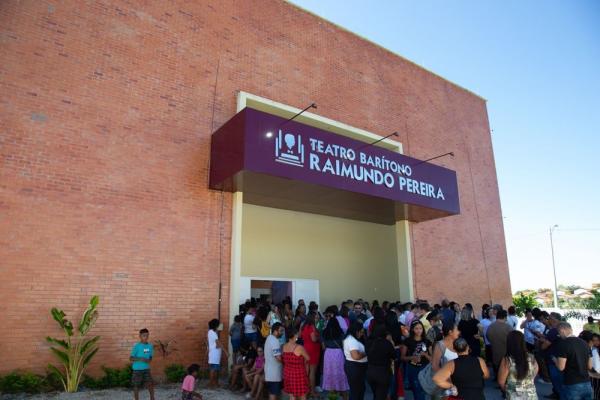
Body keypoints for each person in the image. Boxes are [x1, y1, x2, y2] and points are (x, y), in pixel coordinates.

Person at [555, 322, 593, 400]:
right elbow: (590, 366)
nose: (559, 335)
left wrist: (555, 360)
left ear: (562, 330)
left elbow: (561, 367)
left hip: (572, 383)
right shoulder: (585, 343)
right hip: (587, 383)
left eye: (558, 332)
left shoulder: (563, 344)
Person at [497, 330, 539, 399]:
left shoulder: (507, 360)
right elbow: (535, 372)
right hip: (531, 395)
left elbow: (501, 382)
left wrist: (509, 390)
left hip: (514, 396)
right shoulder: (531, 357)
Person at [401, 320, 432, 400]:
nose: (419, 330)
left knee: (422, 390)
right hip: (413, 369)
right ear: (412, 330)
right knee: (417, 390)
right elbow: (402, 357)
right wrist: (412, 357)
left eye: (420, 328)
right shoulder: (407, 341)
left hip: (425, 369)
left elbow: (432, 359)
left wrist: (425, 354)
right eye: (416, 328)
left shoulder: (427, 341)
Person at [365, 324, 396, 400]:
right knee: (381, 395)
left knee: (376, 394)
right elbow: (394, 356)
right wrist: (391, 341)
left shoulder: (369, 342)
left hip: (370, 371)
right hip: (383, 372)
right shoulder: (387, 343)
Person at [322, 316, 349, 398]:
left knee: (330, 376)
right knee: (341, 374)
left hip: (328, 354)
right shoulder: (340, 333)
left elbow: (323, 347)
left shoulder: (324, 333)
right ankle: (345, 397)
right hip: (338, 353)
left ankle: (333, 398)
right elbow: (344, 346)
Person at [282, 326, 310, 400]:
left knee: (292, 396)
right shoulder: (299, 347)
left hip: (288, 373)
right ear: (294, 335)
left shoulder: (284, 346)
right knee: (303, 395)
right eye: (297, 334)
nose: (298, 335)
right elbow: (308, 358)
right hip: (298, 374)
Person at [344, 321, 368, 400]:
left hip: (357, 367)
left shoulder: (354, 338)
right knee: (356, 390)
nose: (362, 334)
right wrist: (367, 353)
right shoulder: (351, 340)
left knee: (360, 389)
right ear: (356, 331)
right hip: (355, 367)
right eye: (361, 332)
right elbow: (356, 356)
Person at [130, 328, 155, 400]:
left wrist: (149, 360)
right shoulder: (137, 346)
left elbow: (150, 357)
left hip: (146, 369)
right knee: (136, 385)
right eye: (144, 335)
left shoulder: (150, 346)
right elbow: (131, 358)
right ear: (140, 336)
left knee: (150, 384)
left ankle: (152, 398)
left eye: (147, 335)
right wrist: (141, 359)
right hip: (137, 369)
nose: (146, 337)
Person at [487, 309, 514, 376]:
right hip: (506, 353)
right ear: (505, 317)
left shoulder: (491, 326)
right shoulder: (508, 327)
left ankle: (497, 378)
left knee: (497, 367)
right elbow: (514, 340)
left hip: (495, 351)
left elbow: (488, 337)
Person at [300, 311, 321, 397]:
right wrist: (318, 336)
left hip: (306, 348)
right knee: (312, 372)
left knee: (307, 371)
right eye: (316, 317)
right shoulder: (312, 327)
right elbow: (314, 339)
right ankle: (312, 391)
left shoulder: (304, 326)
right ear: (312, 318)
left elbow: (300, 336)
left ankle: (307, 390)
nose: (317, 318)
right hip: (313, 350)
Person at [264, 322, 284, 400]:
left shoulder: (269, 338)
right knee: (273, 394)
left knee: (271, 393)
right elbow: (278, 358)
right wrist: (285, 362)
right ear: (275, 331)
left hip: (270, 372)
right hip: (274, 374)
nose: (282, 333)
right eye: (281, 331)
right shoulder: (274, 341)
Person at [207, 318, 228, 388]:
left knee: (213, 369)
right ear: (216, 326)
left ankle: (215, 383)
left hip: (212, 353)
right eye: (218, 325)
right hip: (215, 354)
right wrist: (225, 352)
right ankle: (212, 383)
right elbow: (218, 344)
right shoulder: (213, 333)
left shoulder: (210, 332)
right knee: (214, 370)